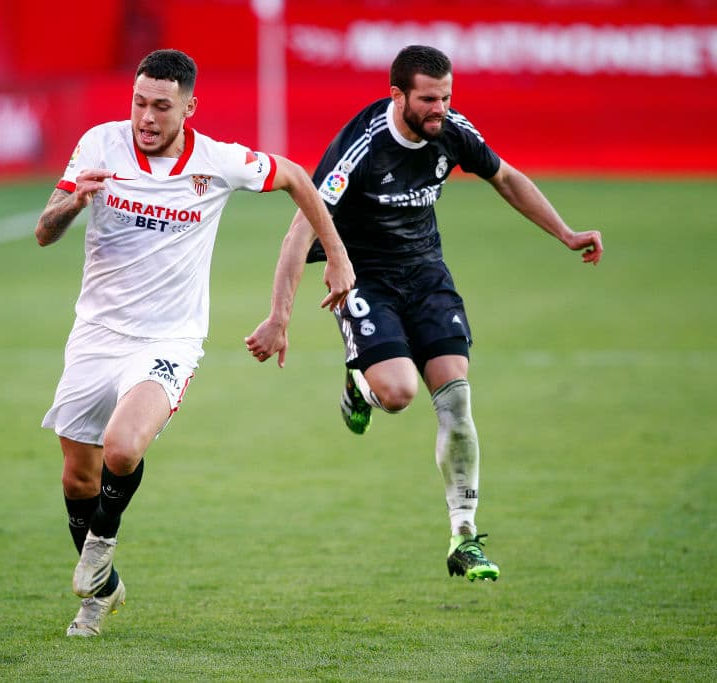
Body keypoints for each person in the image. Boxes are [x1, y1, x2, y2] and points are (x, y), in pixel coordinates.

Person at [245, 45, 603, 582]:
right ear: (398, 96)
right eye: (430, 100)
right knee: (398, 393)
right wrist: (279, 317)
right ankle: (359, 383)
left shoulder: (452, 131)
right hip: (365, 278)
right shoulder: (362, 148)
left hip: (428, 277)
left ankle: (464, 536)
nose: (441, 109)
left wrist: (566, 233)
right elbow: (301, 227)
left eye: (447, 97)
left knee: (456, 400)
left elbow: (505, 177)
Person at [35, 48, 355, 637]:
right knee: (77, 480)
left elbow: (295, 176)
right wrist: (73, 200)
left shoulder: (217, 161)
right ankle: (102, 592)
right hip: (96, 334)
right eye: (139, 103)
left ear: (189, 106)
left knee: (123, 447)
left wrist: (335, 253)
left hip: (170, 337)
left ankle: (100, 548)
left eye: (161, 106)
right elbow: (43, 232)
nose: (147, 118)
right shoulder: (99, 144)